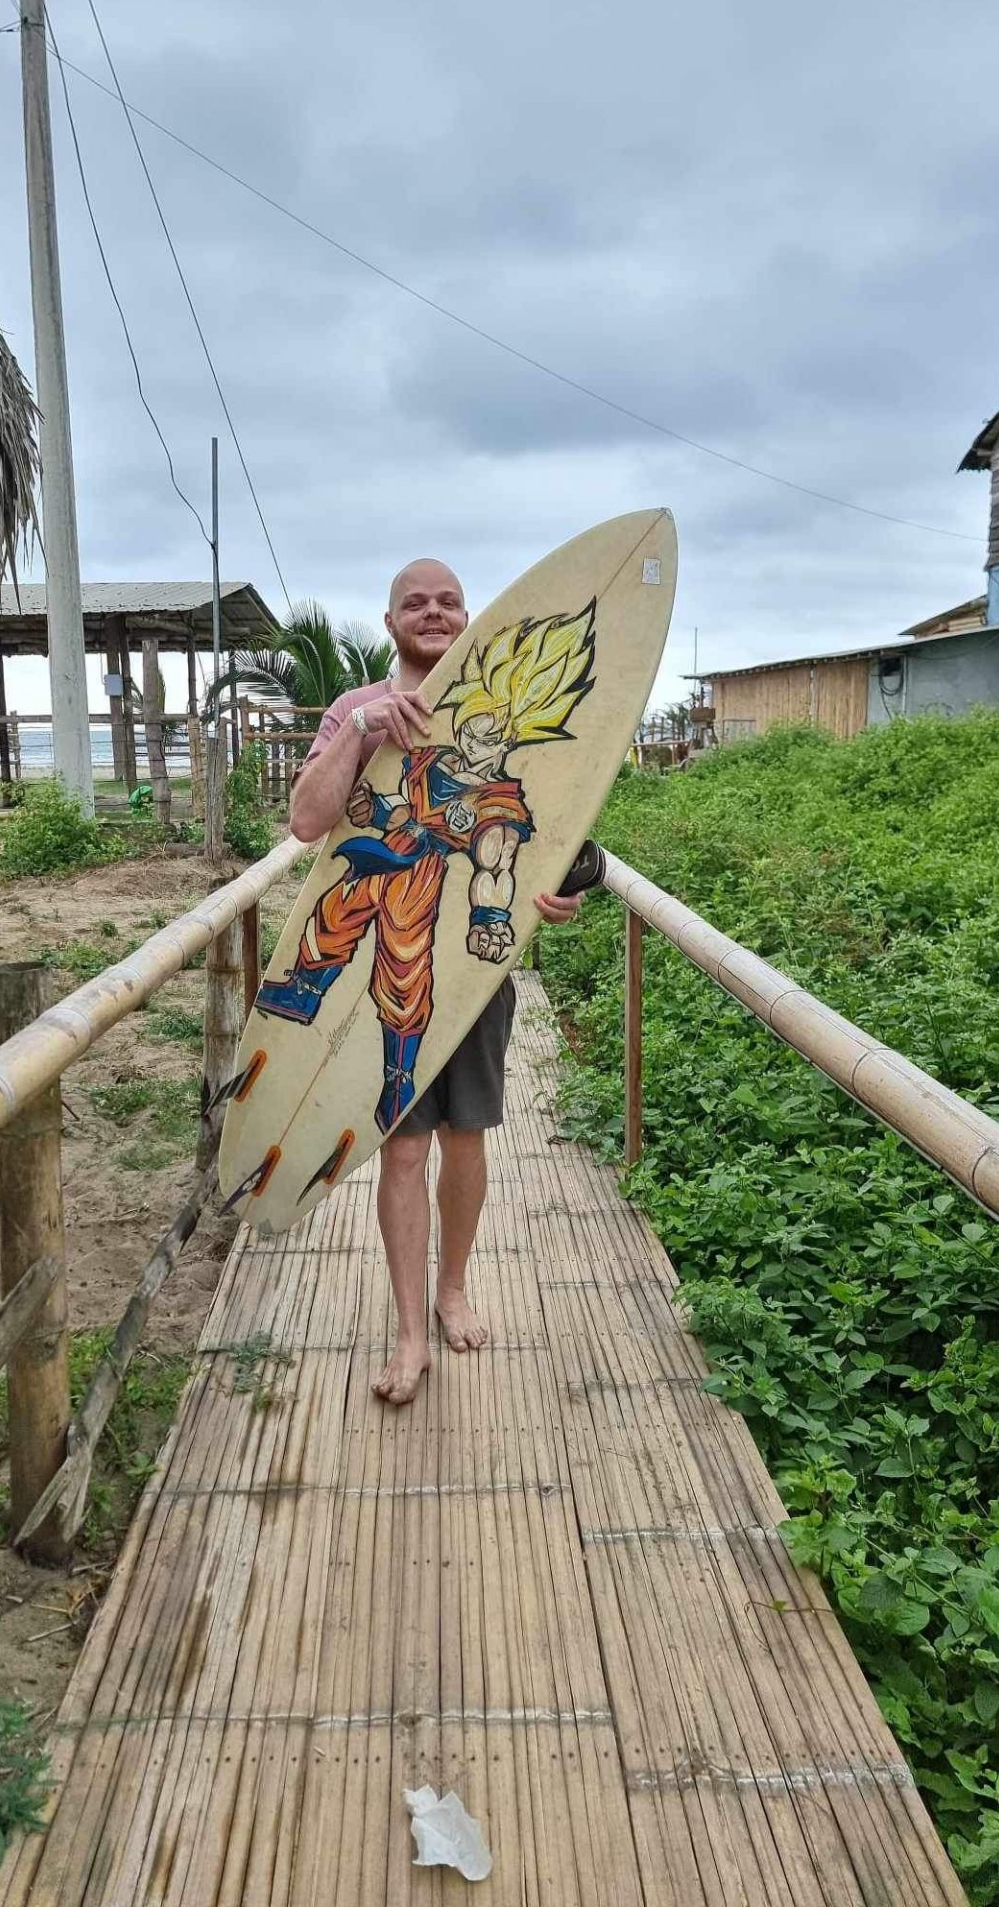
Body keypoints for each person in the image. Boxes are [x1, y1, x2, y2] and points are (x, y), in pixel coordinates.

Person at [285, 558, 584, 1404]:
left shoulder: (501, 715)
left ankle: (453, 1289)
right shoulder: (357, 710)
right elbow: (307, 821)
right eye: (414, 603)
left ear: (468, 615)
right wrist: (363, 729)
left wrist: (551, 892)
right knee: (405, 1146)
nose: (433, 613)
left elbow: (546, 830)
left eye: (448, 601)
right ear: (390, 623)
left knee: (467, 1140)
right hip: (382, 945)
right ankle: (410, 1332)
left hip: (477, 968)